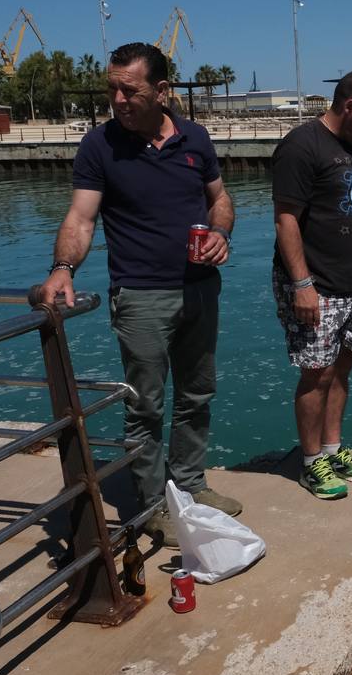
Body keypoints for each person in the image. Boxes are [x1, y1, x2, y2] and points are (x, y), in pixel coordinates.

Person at [39, 42, 240, 547]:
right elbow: (82, 218)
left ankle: (190, 483)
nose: (118, 99)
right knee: (145, 406)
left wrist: (221, 233)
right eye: (113, 89)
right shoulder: (100, 145)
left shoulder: (195, 138)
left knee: (198, 395)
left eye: (129, 90)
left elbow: (220, 199)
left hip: (199, 290)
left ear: (162, 91)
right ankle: (153, 506)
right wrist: (62, 268)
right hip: (141, 295)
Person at [271, 69, 352, 501]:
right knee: (316, 373)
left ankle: (333, 448)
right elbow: (286, 219)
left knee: (342, 366)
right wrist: (302, 285)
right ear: (349, 106)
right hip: (314, 282)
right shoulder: (302, 146)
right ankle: (311, 464)